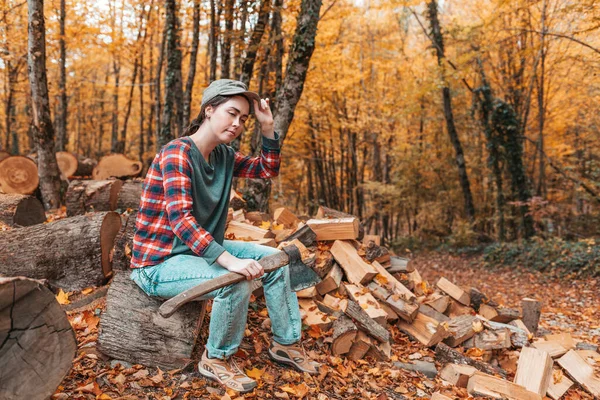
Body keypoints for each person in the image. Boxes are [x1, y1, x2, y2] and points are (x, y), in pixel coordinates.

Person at [129, 79, 318, 393]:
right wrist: (228, 261)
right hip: (159, 263)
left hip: (193, 253)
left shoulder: (224, 156)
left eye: (243, 119)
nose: (237, 123)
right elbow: (181, 220)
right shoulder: (177, 153)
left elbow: (267, 170)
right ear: (209, 110)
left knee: (274, 261)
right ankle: (216, 358)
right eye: (231, 113)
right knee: (234, 280)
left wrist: (268, 125)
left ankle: (286, 343)